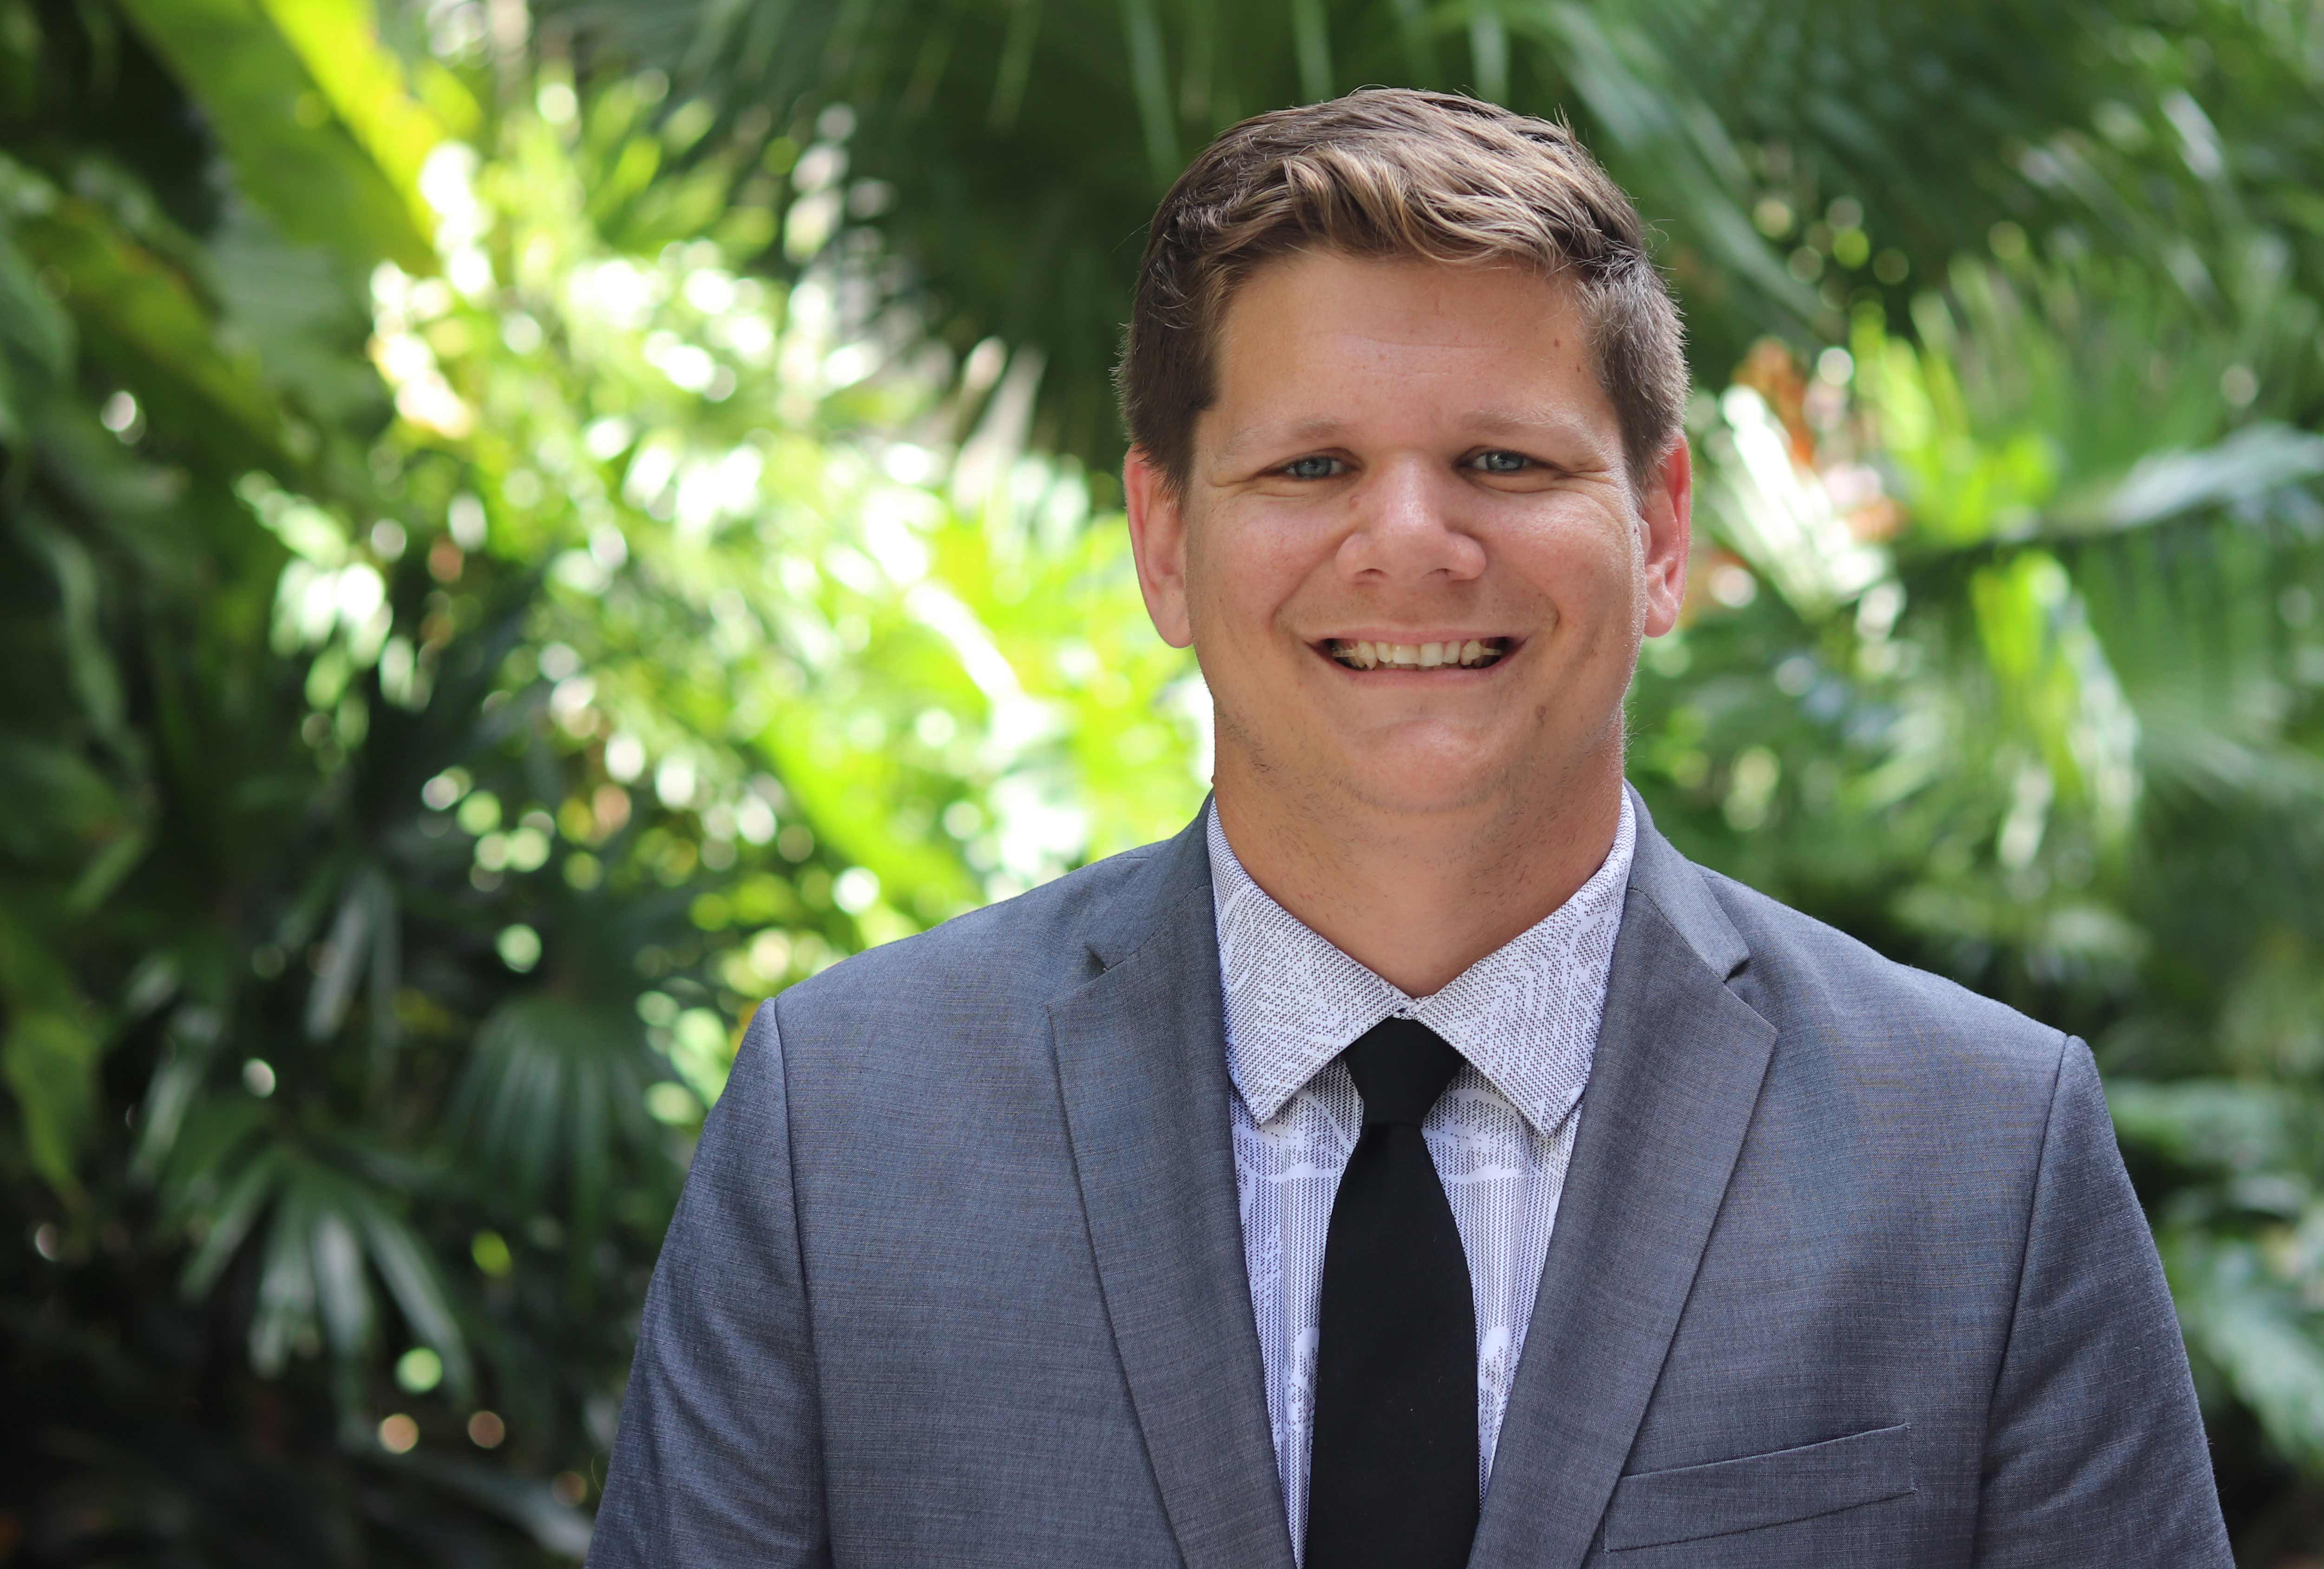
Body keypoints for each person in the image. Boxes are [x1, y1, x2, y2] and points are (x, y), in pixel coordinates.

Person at [588, 88, 2231, 1568]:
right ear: (1164, 541)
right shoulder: (839, 1127)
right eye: (1310, 467)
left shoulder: (1983, 1156)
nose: (1411, 542)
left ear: (1659, 534)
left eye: (1502, 460)